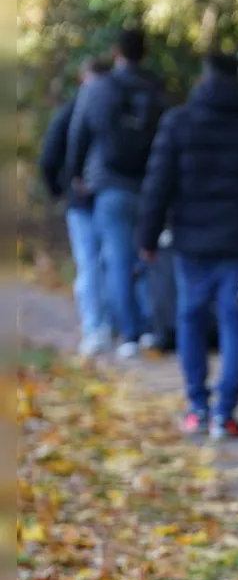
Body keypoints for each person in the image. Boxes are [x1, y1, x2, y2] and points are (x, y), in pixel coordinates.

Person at [138, 52, 238, 438]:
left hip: (190, 242)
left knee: (191, 317)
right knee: (234, 322)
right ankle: (224, 414)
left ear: (203, 78)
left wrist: (147, 237)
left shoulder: (179, 123)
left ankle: (197, 407)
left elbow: (157, 183)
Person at [63, 26, 168, 358]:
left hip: (109, 185)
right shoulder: (158, 91)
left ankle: (129, 334)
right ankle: (153, 326)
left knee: (117, 259)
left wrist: (76, 174)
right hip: (150, 186)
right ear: (145, 53)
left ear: (115, 53)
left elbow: (79, 133)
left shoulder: (100, 89)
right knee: (148, 256)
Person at [38, 57, 114, 356]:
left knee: (89, 262)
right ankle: (112, 324)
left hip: (82, 201)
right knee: (111, 261)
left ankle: (95, 327)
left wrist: (61, 189)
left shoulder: (71, 111)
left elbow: (49, 157)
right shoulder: (120, 107)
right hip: (112, 193)